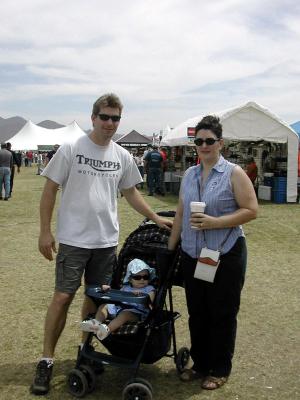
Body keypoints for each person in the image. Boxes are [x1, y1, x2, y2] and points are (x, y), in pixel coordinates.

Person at [30, 93, 172, 396]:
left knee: (96, 300)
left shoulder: (121, 155)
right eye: (104, 117)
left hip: (106, 243)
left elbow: (131, 192)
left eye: (115, 118)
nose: (109, 123)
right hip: (72, 240)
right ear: (93, 117)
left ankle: (84, 352)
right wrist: (45, 231)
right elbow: (50, 189)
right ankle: (46, 360)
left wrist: (155, 218)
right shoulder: (71, 148)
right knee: (62, 298)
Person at [168, 115, 258, 390]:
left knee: (222, 312)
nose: (204, 145)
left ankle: (220, 368)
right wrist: (170, 249)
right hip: (194, 254)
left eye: (209, 141)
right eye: (199, 141)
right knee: (198, 312)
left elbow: (252, 210)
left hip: (225, 253)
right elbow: (181, 212)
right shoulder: (190, 174)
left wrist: (214, 222)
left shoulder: (234, 172)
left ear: (220, 143)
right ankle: (200, 364)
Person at [81, 258, 156, 340]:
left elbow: (150, 301)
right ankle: (96, 324)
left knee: (125, 314)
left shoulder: (149, 288)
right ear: (130, 279)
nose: (142, 279)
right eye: (137, 277)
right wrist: (108, 290)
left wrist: (142, 295)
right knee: (103, 306)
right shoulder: (125, 287)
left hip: (137, 313)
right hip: (119, 308)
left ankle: (106, 331)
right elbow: (117, 297)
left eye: (146, 277)